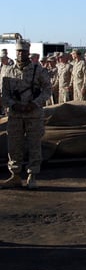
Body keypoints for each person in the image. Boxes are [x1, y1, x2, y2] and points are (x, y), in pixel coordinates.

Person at [0, 39, 52, 189]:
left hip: (33, 115)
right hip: (15, 115)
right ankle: (15, 175)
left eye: (23, 51)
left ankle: (32, 175)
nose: (20, 53)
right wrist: (13, 104)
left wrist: (34, 104)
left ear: (28, 52)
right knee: (14, 145)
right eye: (18, 51)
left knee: (34, 144)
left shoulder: (39, 70)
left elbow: (47, 90)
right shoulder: (8, 71)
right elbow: (4, 94)